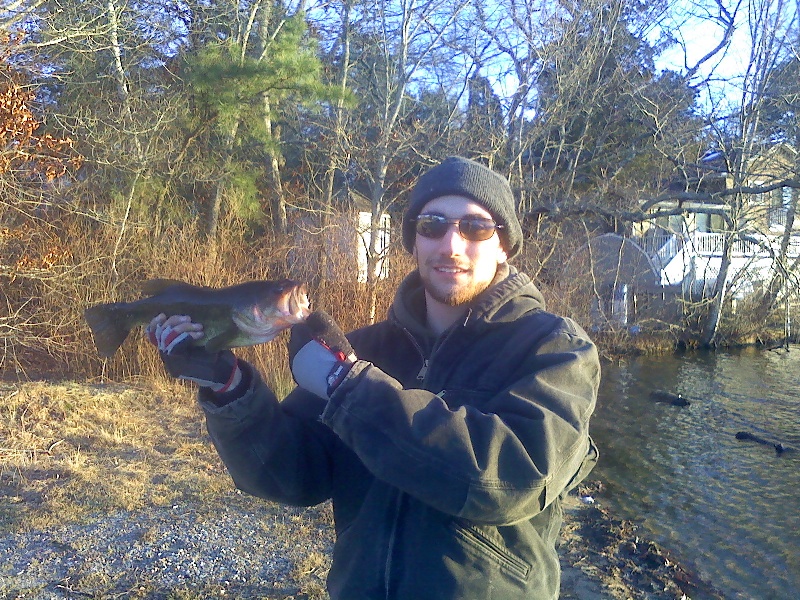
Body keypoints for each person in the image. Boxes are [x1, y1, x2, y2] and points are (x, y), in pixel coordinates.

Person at [146, 156, 600, 599]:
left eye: (476, 227)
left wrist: (349, 386)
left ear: (504, 244)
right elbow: (292, 476)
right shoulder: (365, 349)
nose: (451, 244)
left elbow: (512, 479)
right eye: (433, 224)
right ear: (414, 241)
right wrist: (231, 389)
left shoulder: (555, 347)